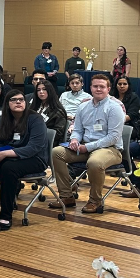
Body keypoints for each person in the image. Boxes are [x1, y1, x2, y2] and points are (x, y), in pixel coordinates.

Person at [50, 74, 125, 213]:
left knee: (95, 162)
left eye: (102, 86)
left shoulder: (115, 108)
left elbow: (113, 137)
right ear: (90, 88)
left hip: (110, 149)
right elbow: (78, 130)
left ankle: (95, 201)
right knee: (56, 153)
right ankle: (67, 196)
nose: (98, 89)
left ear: (108, 89)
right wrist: (74, 139)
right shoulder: (83, 106)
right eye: (95, 86)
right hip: (85, 147)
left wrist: (87, 147)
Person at [0, 89, 48, 230]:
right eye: (14, 100)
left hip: (36, 159)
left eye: (21, 99)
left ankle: (5, 217)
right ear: (7, 104)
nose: (19, 102)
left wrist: (5, 154)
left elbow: (34, 147)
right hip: (11, 156)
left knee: (8, 168)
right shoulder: (6, 119)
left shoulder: (35, 119)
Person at [30, 80, 68, 146]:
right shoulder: (34, 107)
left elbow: (58, 134)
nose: (41, 92)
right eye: (38, 90)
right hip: (31, 139)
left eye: (44, 89)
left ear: (50, 91)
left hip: (47, 143)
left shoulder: (58, 111)